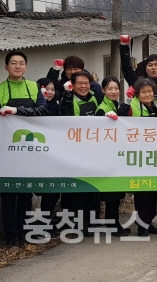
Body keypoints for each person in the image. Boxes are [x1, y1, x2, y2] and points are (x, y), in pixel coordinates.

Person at [0, 50, 49, 246]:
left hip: (29, 151)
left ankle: (24, 234)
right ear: (6, 67)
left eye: (21, 63)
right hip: (6, 152)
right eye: (13, 63)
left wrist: (16, 110)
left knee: (26, 194)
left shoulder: (34, 87)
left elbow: (43, 110)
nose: (17, 66)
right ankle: (11, 238)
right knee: (8, 196)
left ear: (26, 67)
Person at [118, 78, 157, 237]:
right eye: (144, 92)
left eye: (150, 91)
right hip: (138, 154)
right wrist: (127, 100)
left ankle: (149, 221)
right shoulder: (132, 105)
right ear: (137, 94)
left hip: (154, 154)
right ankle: (142, 225)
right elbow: (121, 119)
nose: (147, 94)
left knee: (152, 190)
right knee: (142, 193)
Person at [59, 71, 100, 237]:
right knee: (77, 191)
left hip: (93, 151)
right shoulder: (68, 100)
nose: (84, 86)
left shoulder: (93, 98)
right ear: (72, 85)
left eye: (86, 83)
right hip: (75, 152)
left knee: (92, 189)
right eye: (80, 83)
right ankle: (78, 225)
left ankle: (92, 222)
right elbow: (67, 117)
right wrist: (68, 95)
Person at [94, 76, 130, 237]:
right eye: (110, 88)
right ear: (103, 90)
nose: (113, 91)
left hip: (116, 155)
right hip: (107, 157)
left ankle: (113, 223)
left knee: (116, 193)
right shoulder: (102, 108)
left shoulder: (115, 104)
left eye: (116, 88)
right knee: (111, 194)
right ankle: (112, 225)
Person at [35, 78, 62, 226]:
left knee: (53, 191)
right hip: (36, 154)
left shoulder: (57, 106)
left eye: (52, 89)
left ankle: (45, 221)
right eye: (46, 89)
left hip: (53, 155)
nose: (49, 92)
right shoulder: (34, 106)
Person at [119, 34, 157, 107]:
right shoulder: (139, 84)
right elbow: (127, 70)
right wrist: (124, 46)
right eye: (150, 65)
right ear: (146, 69)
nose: (153, 68)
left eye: (156, 65)